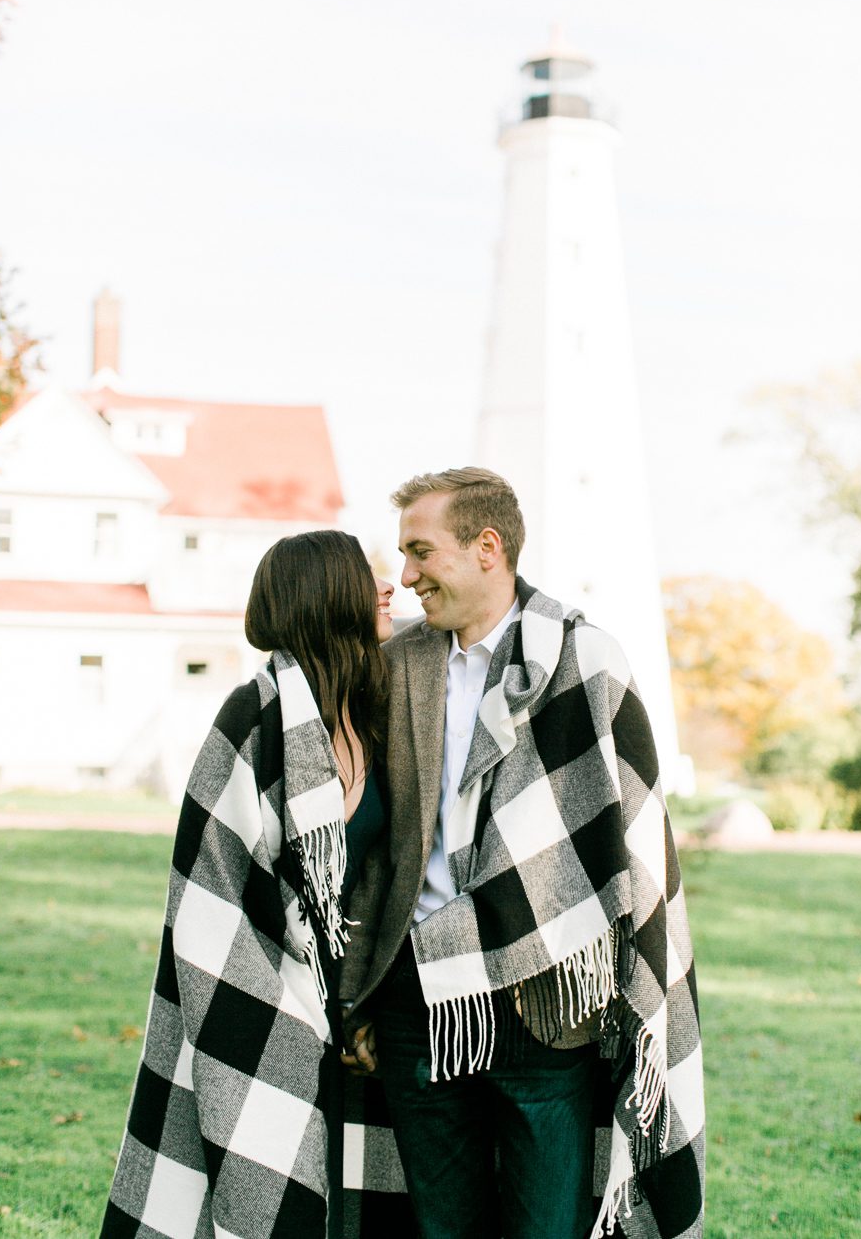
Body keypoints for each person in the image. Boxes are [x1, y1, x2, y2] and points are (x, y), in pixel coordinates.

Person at [343, 468, 705, 1239]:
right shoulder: (398, 664)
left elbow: (629, 834)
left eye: (419, 552)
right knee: (439, 1226)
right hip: (418, 991)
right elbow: (375, 845)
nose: (404, 577)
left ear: (486, 547)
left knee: (546, 1226)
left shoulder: (585, 662)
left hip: (545, 992)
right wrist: (362, 990)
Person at [102, 530, 411, 1239]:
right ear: (328, 594)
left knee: (359, 1196)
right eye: (369, 577)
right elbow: (210, 884)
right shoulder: (252, 717)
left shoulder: (372, 713)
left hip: (356, 997)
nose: (389, 584)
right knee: (268, 1187)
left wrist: (361, 999)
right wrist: (294, 1006)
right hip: (259, 992)